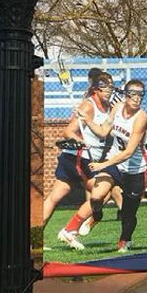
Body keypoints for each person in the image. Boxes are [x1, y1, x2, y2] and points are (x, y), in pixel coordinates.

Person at [60, 79, 147, 254]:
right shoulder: (117, 108)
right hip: (115, 164)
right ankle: (72, 228)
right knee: (97, 195)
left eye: (141, 94)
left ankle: (125, 240)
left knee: (128, 213)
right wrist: (87, 120)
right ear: (125, 93)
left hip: (134, 170)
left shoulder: (141, 119)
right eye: (133, 93)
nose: (137, 98)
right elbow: (102, 131)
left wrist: (103, 164)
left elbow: (129, 152)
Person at [45, 70, 123, 250]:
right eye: (106, 88)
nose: (110, 91)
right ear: (96, 89)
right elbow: (68, 132)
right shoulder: (89, 106)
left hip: (77, 158)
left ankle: (35, 238)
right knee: (103, 191)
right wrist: (82, 142)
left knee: (55, 197)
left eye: (111, 87)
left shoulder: (108, 107)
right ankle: (71, 229)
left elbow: (105, 131)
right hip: (79, 157)